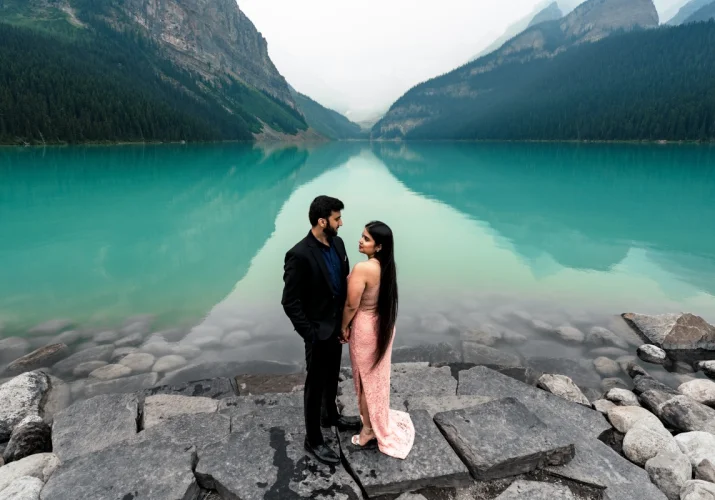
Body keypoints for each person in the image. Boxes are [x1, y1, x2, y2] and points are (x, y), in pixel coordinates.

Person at [281, 195, 361, 466]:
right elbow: (289, 301)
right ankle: (313, 439)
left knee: (332, 376)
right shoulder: (299, 254)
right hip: (317, 332)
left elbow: (342, 281)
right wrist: (310, 333)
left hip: (337, 327)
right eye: (337, 218)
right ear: (322, 221)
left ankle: (331, 417)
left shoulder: (338, 243)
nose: (341, 223)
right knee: (314, 386)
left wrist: (346, 322)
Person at [341, 221, 415, 459]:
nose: (360, 241)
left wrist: (343, 326)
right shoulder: (386, 267)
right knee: (377, 378)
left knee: (365, 380)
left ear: (379, 246)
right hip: (382, 325)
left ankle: (368, 430)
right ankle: (373, 421)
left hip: (364, 328)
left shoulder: (364, 268)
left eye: (366, 239)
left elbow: (352, 304)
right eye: (362, 236)